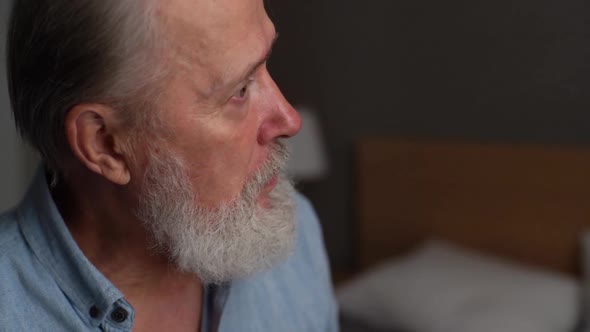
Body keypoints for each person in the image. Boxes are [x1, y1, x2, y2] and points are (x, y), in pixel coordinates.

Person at [0, 0, 339, 331]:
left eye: (266, 62)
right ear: (106, 144)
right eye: (240, 91)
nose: (290, 120)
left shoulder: (296, 239)